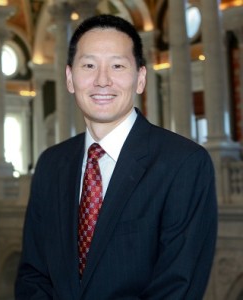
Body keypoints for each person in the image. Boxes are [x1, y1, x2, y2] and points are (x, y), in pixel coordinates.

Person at [15, 14, 217, 300]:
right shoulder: (51, 163)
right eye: (89, 65)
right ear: (70, 78)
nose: (102, 80)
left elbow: (177, 287)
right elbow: (33, 275)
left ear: (140, 78)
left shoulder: (184, 164)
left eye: (117, 66)